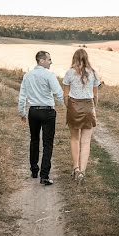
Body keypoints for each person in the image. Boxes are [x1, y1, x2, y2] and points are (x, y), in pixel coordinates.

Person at [18, 50, 64, 185]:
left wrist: (22, 113)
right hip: (48, 112)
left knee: (34, 140)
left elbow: (22, 96)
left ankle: (34, 170)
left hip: (33, 112)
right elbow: (59, 94)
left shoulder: (28, 75)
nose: (51, 62)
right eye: (49, 59)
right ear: (41, 60)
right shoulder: (49, 75)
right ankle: (44, 176)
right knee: (47, 143)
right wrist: (69, 109)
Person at [62, 48, 101, 184]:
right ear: (87, 58)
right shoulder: (94, 73)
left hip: (73, 105)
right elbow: (95, 96)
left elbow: (65, 95)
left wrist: (70, 108)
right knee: (86, 141)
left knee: (74, 139)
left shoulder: (69, 73)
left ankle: (76, 168)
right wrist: (92, 108)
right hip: (88, 106)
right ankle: (82, 172)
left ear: (74, 58)